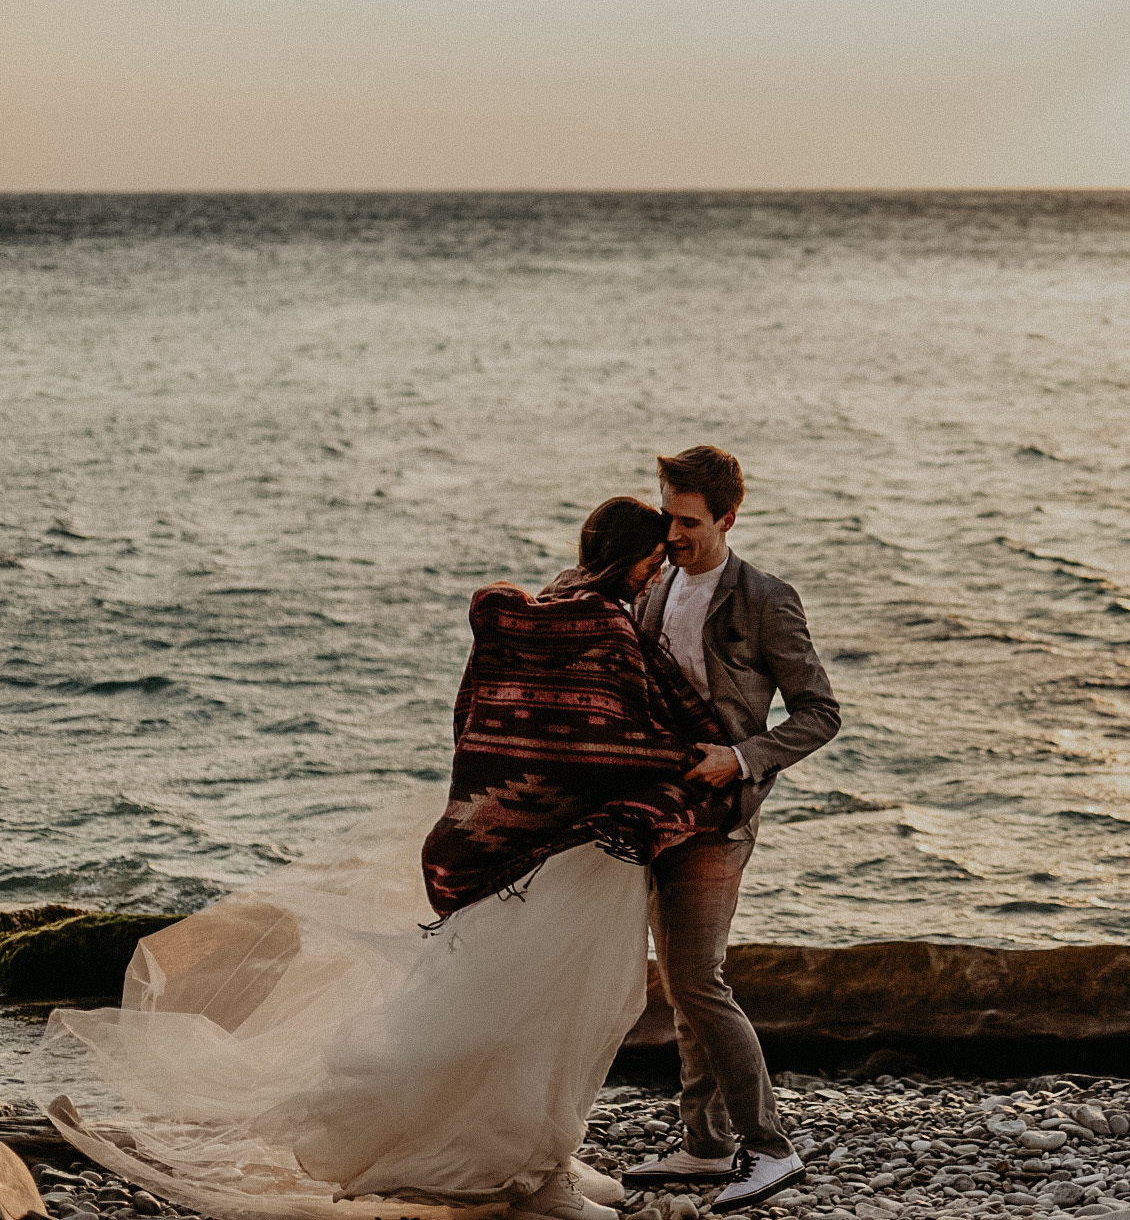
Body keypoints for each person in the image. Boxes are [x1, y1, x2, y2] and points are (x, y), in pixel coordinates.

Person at [44, 497, 728, 1220]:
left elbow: (479, 727)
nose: (659, 573)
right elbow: (613, 746)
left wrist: (505, 807)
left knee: (516, 1006)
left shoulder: (534, 612)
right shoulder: (608, 627)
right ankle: (527, 1183)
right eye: (654, 559)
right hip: (581, 853)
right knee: (560, 1014)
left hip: (505, 851)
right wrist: (706, 762)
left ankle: (543, 1157)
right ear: (631, 560)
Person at [618, 447, 841, 1212]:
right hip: (659, 814)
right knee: (683, 983)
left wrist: (742, 759)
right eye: (667, 518)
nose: (673, 535)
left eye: (688, 523)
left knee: (697, 981)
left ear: (726, 519)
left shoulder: (766, 600)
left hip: (723, 817)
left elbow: (820, 713)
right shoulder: (656, 584)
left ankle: (770, 1146)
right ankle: (706, 1145)